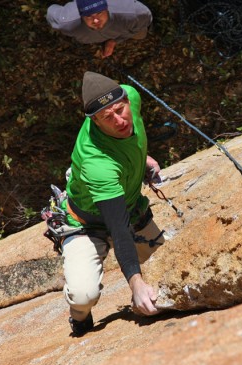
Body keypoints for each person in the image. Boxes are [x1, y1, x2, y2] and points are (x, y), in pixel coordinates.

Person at [60, 71, 165, 336]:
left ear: (126, 100)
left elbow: (130, 137)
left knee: (173, 268)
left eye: (120, 110)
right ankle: (79, 316)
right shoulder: (97, 163)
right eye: (107, 117)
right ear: (95, 121)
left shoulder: (130, 94)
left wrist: (141, 160)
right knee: (83, 296)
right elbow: (119, 229)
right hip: (88, 223)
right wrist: (136, 284)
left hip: (128, 205)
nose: (119, 120)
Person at [46, 0, 153, 58]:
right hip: (85, 34)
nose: (96, 20)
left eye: (99, 13)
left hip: (125, 24)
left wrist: (114, 41)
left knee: (141, 34)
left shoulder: (133, 14)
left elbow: (147, 18)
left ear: (106, 9)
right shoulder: (66, 21)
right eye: (89, 16)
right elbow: (50, 11)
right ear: (81, 16)